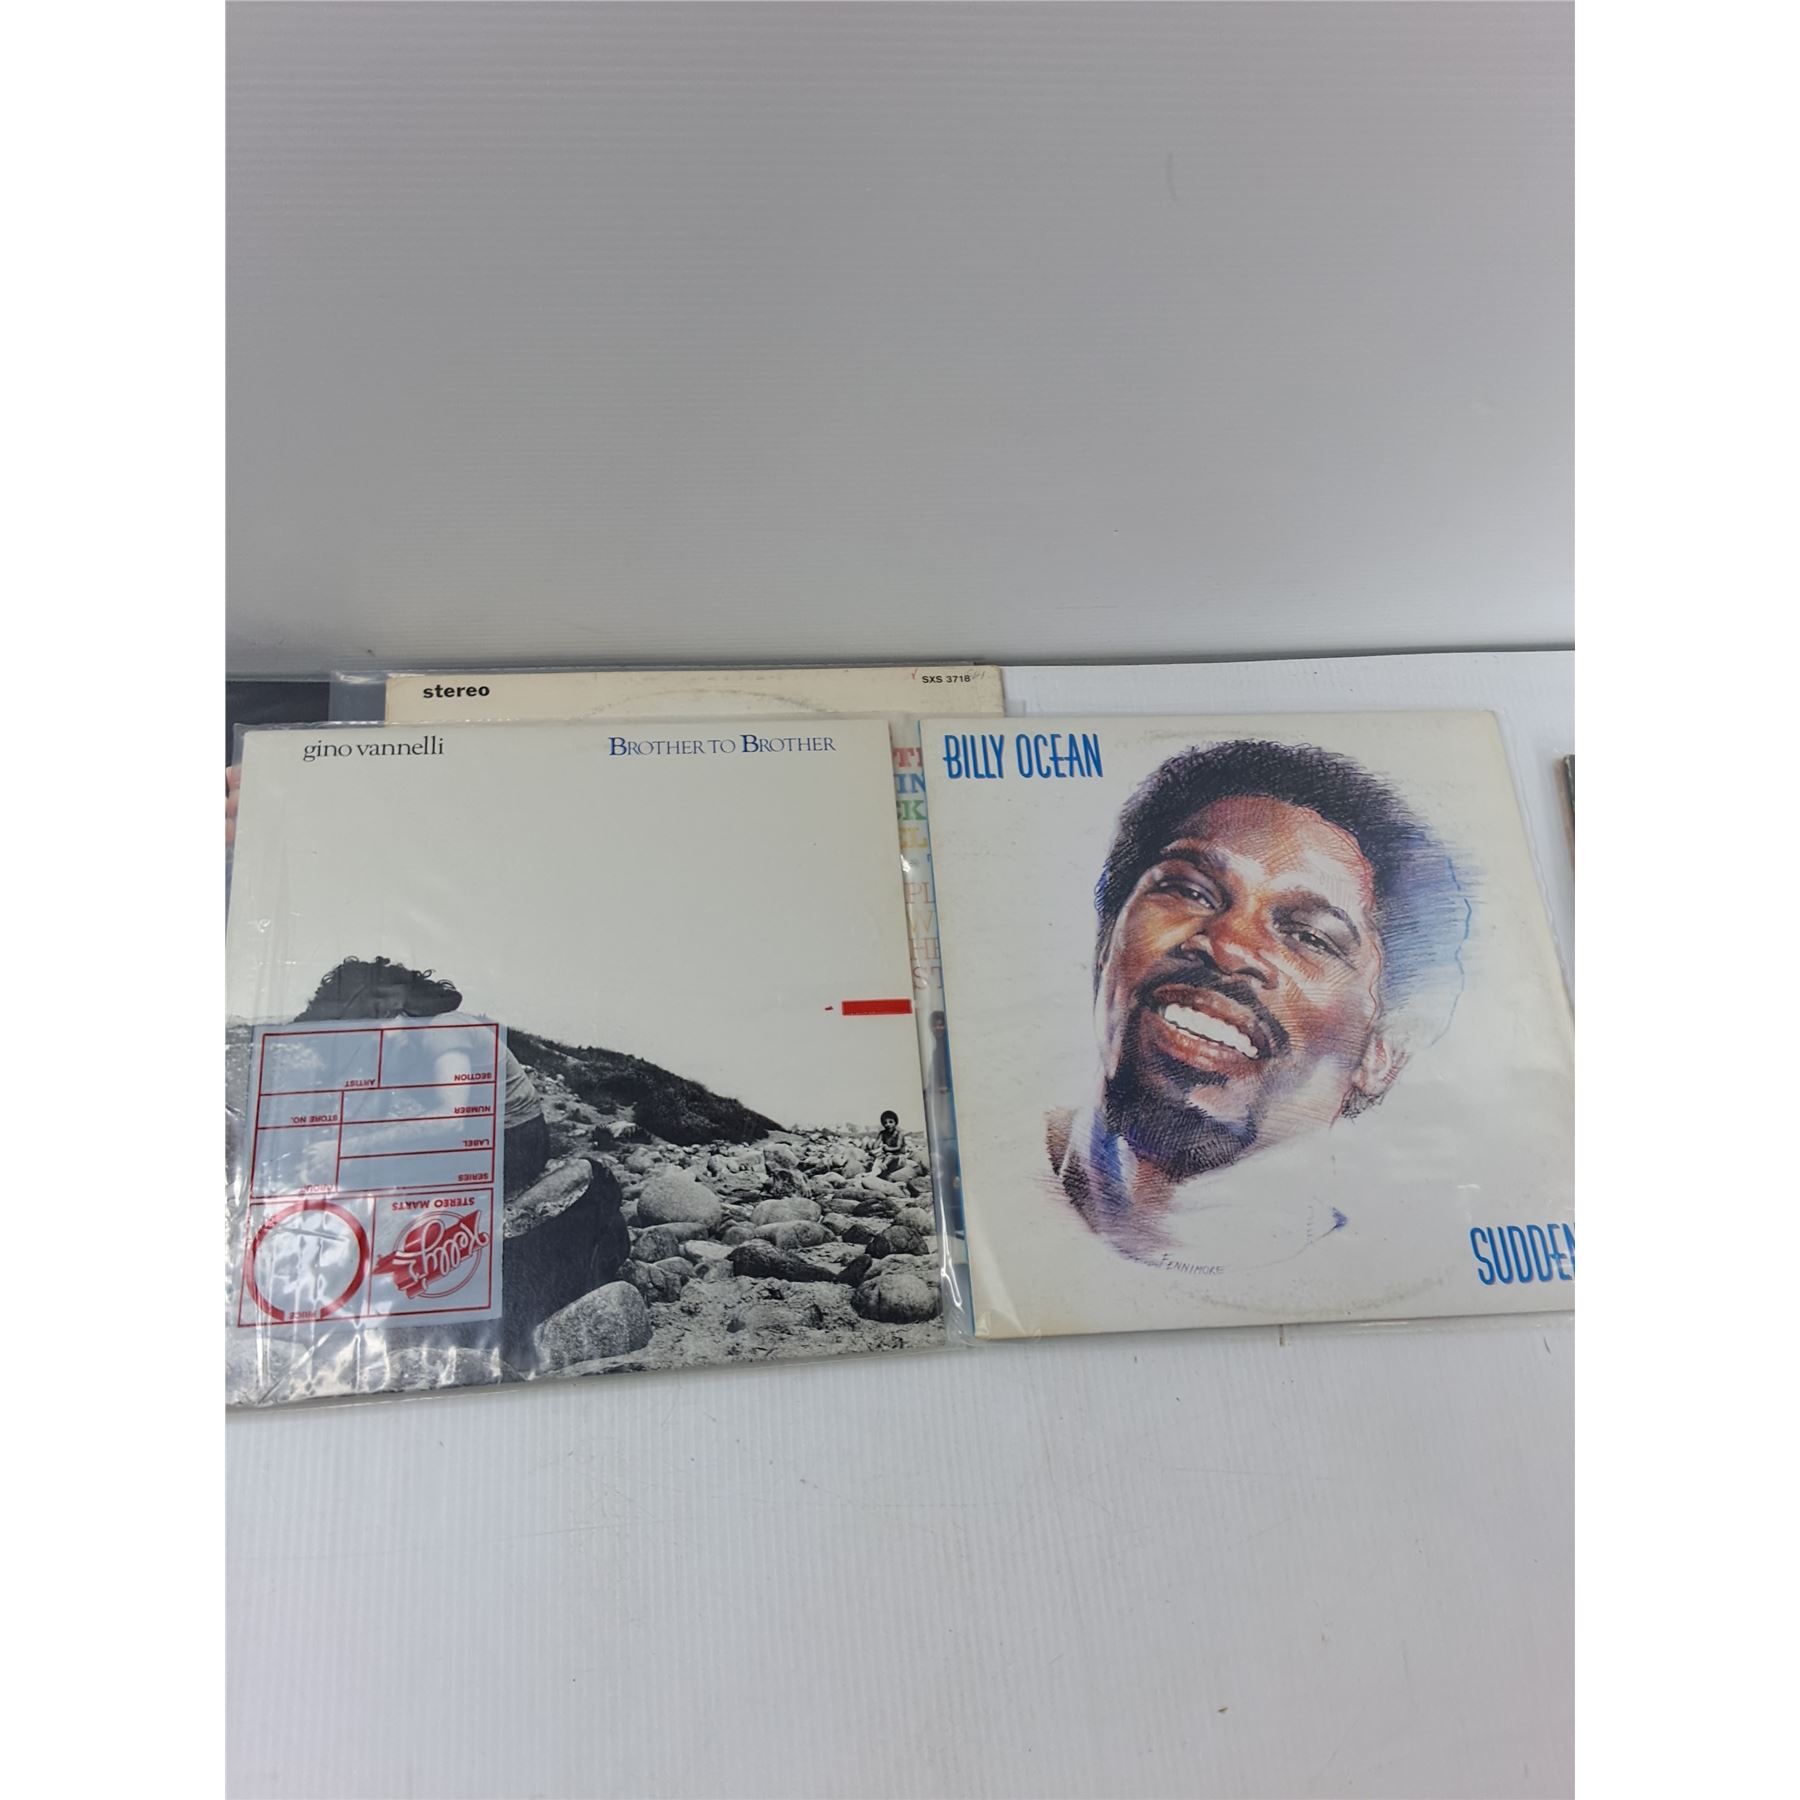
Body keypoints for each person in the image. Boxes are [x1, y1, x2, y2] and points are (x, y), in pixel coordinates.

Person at [1049, 740, 1467, 1259]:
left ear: (1383, 1053)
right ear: (1107, 940)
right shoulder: (979, 1173)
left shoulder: (1388, 1261)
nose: (1229, 945)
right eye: (1190, 891)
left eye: (1310, 937)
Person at [296, 956, 627, 1366]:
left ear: (394, 1005)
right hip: (478, 1135)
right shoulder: (403, 1039)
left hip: (514, 1139)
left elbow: (449, 1119)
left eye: (373, 1015)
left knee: (412, 1208)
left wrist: (349, 1147)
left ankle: (431, 1301)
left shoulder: (442, 1030)